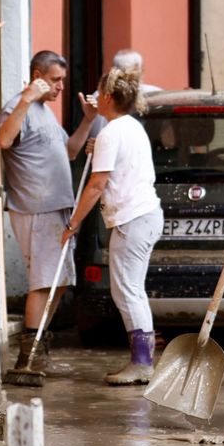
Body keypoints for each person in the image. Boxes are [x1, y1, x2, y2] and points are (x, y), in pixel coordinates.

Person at [0, 50, 99, 378]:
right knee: (43, 283)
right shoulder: (19, 106)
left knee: (58, 282)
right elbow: (3, 139)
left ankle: (38, 346)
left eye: (63, 82)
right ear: (38, 75)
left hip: (58, 209)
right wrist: (26, 99)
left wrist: (87, 120)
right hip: (36, 209)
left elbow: (69, 152)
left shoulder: (46, 113)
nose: (60, 88)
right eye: (55, 80)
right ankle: (27, 360)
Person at [63, 70, 164, 384]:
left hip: (131, 220)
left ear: (108, 96)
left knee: (127, 291)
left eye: (98, 89)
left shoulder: (111, 132)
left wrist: (74, 222)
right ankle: (142, 360)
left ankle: (142, 364)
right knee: (131, 290)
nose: (95, 93)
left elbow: (96, 185)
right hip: (144, 215)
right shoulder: (129, 127)